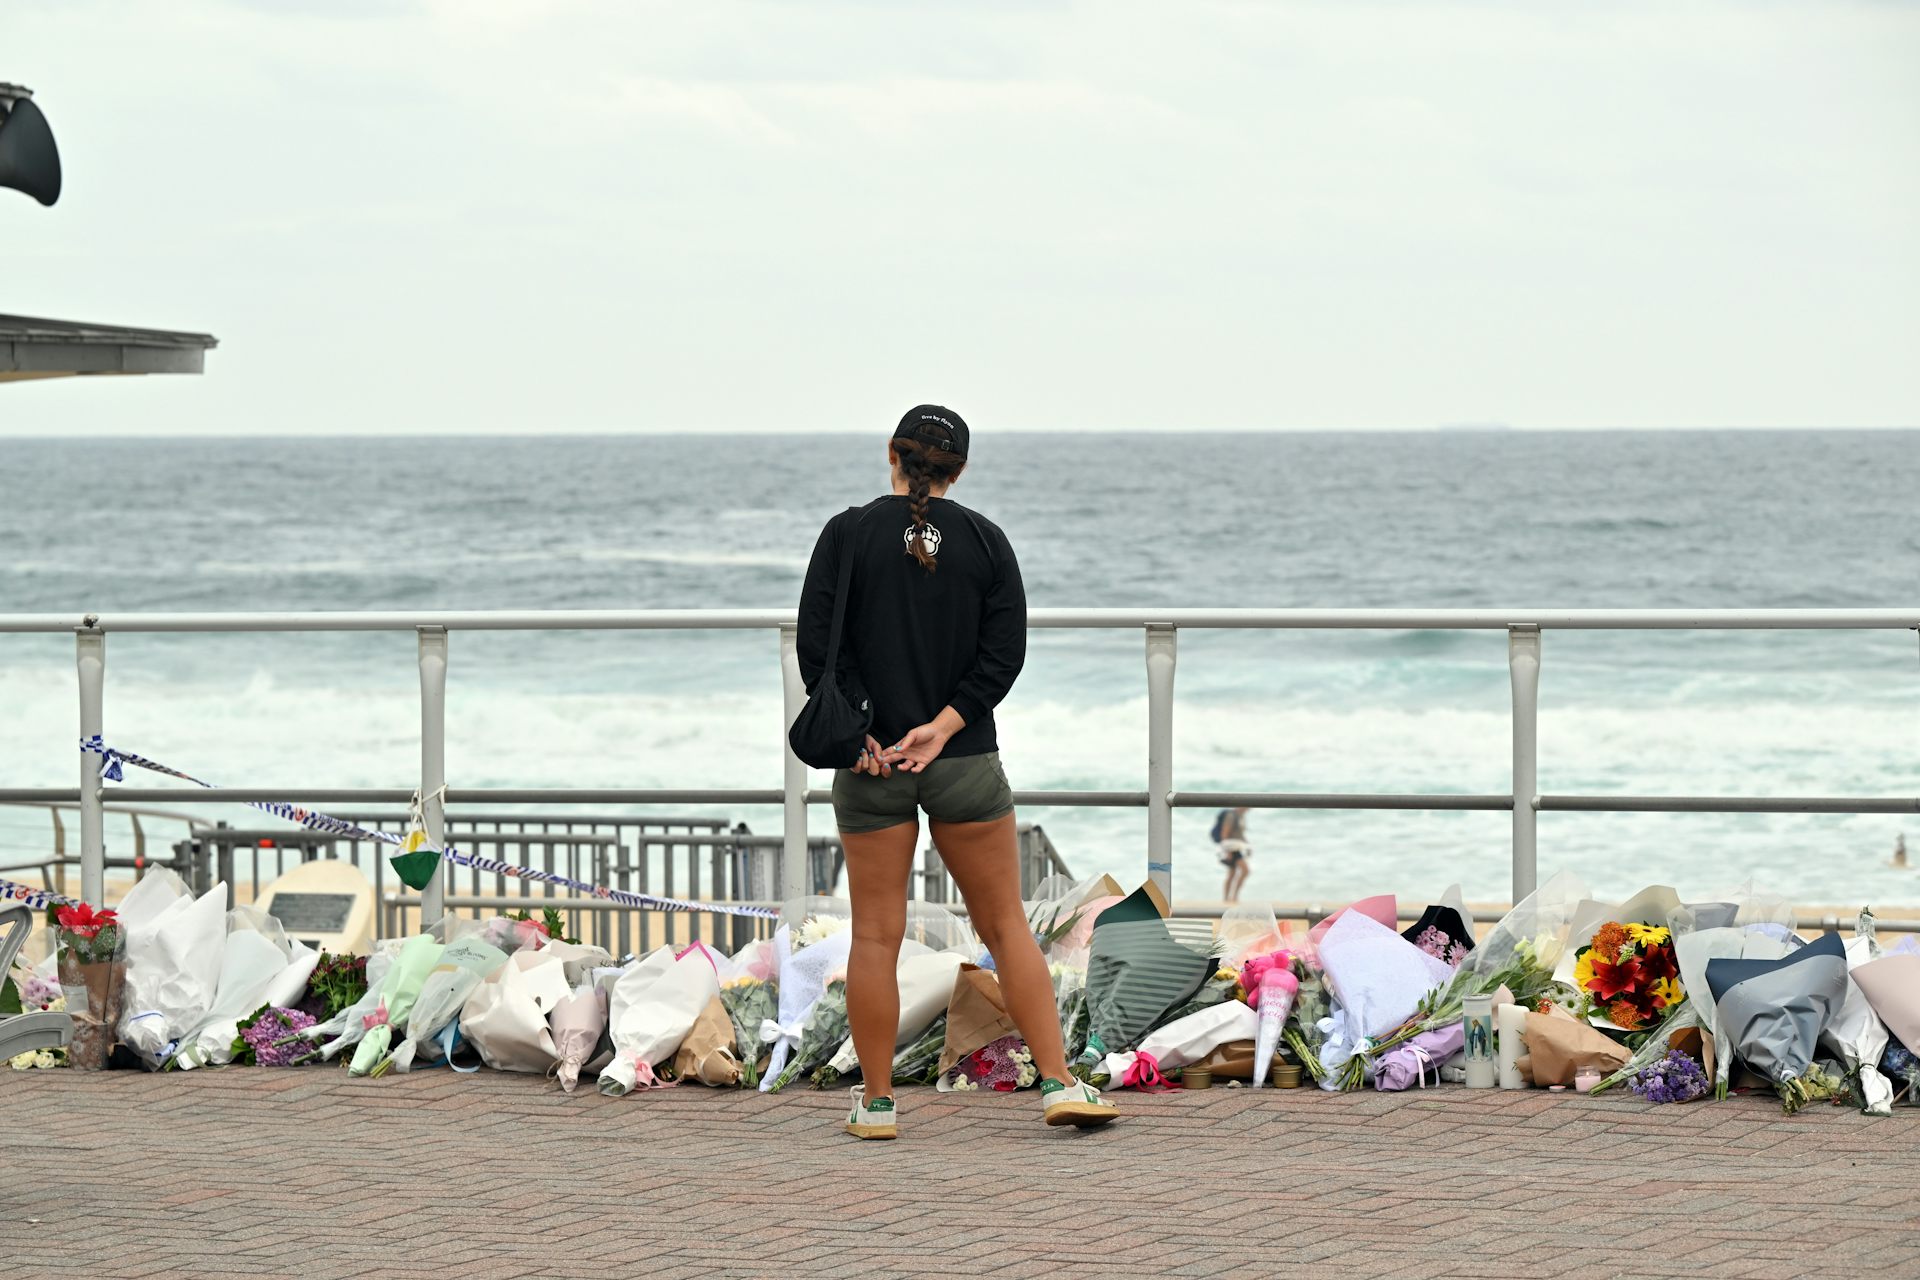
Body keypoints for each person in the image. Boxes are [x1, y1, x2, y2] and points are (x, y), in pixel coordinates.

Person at [797, 405, 1117, 1141]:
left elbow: (819, 653)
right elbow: (1003, 655)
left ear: (892, 455)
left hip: (870, 765)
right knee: (1008, 929)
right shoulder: (985, 541)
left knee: (875, 936)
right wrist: (943, 727)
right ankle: (1061, 1084)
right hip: (965, 757)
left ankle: (876, 1104)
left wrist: (870, 736)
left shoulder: (846, 535)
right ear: (960, 470)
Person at [1215, 806, 1251, 903]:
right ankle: (1233, 897)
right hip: (1231, 849)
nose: (1248, 809)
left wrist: (1247, 846)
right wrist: (1228, 852)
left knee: (1232, 873)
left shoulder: (1240, 817)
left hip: (1237, 847)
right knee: (1245, 870)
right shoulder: (1231, 815)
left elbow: (1240, 834)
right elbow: (1224, 833)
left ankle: (1228, 898)